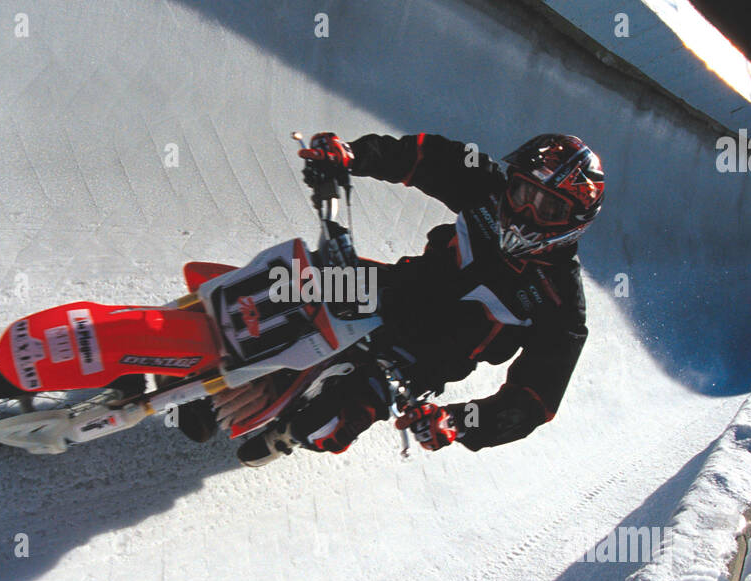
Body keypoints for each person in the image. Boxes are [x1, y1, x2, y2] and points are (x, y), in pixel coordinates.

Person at [186, 131, 605, 466]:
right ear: (510, 182)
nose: (527, 212)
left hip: (416, 361)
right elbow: (424, 157)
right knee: (292, 284)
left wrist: (457, 423)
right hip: (393, 289)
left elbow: (535, 399)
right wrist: (351, 155)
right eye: (524, 194)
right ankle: (199, 349)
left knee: (328, 425)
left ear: (576, 223)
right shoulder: (486, 186)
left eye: (549, 209)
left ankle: (288, 435)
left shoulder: (562, 303)